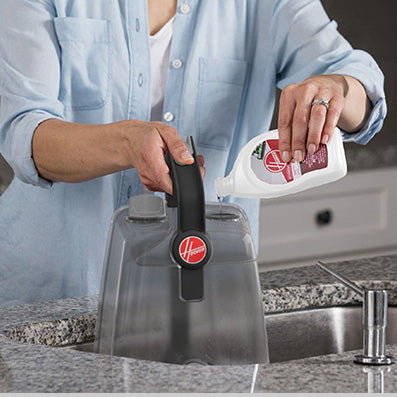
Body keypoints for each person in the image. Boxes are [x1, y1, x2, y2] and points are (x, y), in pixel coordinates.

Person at [0, 0, 386, 307]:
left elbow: (357, 87)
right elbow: (25, 132)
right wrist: (128, 142)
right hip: (55, 295)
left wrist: (335, 88)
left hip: (207, 301)